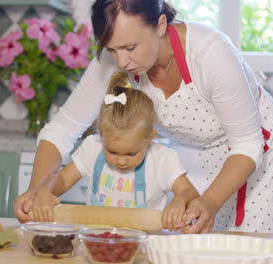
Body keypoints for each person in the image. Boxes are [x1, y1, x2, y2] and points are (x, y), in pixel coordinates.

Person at [14, 0, 273, 234]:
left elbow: (247, 144)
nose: (121, 62)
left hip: (254, 158)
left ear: (160, 25)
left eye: (130, 48)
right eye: (112, 49)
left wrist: (208, 202)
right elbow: (63, 128)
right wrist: (37, 190)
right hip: (192, 159)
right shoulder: (116, 59)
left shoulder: (211, 54)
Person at [27, 70, 200, 232]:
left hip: (144, 246)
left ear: (150, 137)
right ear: (100, 136)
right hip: (95, 242)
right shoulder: (93, 149)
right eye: (112, 152)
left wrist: (180, 200)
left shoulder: (162, 159)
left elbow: (190, 192)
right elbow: (62, 179)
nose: (122, 161)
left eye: (132, 153)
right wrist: (44, 190)